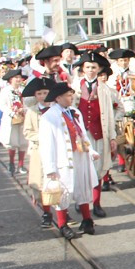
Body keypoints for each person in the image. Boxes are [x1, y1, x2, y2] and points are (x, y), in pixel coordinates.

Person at [40, 82, 99, 238]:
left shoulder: (74, 111)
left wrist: (90, 150)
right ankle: (62, 224)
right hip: (63, 159)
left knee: (82, 187)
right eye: (68, 95)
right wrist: (50, 168)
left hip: (79, 156)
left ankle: (87, 220)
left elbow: (82, 134)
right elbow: (47, 145)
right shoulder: (49, 116)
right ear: (58, 98)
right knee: (63, 191)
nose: (71, 98)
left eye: (72, 94)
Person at [73, 52, 117, 214]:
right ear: (83, 69)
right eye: (88, 67)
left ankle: (97, 203)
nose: (90, 70)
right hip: (81, 134)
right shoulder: (75, 87)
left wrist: (112, 136)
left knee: (98, 169)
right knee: (82, 169)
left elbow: (110, 115)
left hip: (99, 133)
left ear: (99, 70)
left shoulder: (105, 90)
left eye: (94, 67)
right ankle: (81, 200)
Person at [21, 77, 54, 228]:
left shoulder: (56, 109)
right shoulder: (32, 112)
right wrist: (42, 137)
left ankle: (62, 209)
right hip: (39, 150)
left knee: (58, 180)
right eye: (39, 93)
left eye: (45, 92)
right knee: (41, 183)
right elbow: (27, 132)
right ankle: (46, 212)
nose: (43, 96)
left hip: (56, 150)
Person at [0, 69, 27, 175]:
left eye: (19, 77)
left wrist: (24, 110)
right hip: (11, 119)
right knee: (12, 142)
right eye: (16, 78)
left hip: (23, 118)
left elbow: (29, 103)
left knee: (23, 142)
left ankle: (21, 164)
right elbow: (2, 105)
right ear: (10, 80)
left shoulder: (23, 90)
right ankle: (11, 163)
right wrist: (12, 113)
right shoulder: (6, 91)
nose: (18, 80)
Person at [108, 49, 135, 114]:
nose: (123, 63)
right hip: (119, 100)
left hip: (131, 100)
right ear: (117, 62)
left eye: (125, 60)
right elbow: (111, 88)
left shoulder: (133, 73)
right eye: (121, 61)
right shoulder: (113, 75)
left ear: (128, 61)